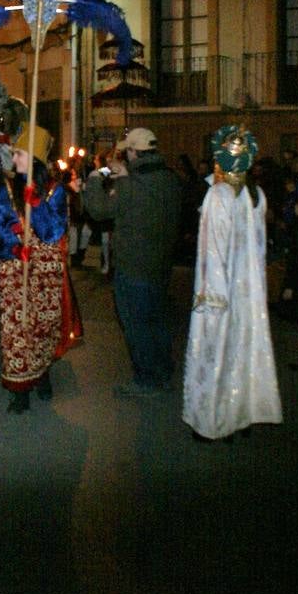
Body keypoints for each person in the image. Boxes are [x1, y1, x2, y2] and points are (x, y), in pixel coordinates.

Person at [182, 125, 283, 441]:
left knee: (216, 354)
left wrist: (210, 298)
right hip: (248, 291)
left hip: (221, 290)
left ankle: (214, 421)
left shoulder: (218, 194)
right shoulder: (256, 195)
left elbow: (213, 249)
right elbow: (259, 247)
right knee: (242, 352)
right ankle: (240, 417)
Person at [82, 127, 181, 397]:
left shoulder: (131, 186)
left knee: (137, 325)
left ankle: (146, 380)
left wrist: (94, 178)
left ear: (135, 152)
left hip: (133, 267)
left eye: (129, 152)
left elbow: (99, 210)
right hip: (160, 265)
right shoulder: (171, 179)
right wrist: (126, 176)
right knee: (158, 322)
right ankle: (163, 371)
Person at [0, 125, 79, 414]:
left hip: (44, 277)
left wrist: (35, 203)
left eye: (19, 155)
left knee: (41, 328)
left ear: (34, 159)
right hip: (15, 273)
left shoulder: (54, 191)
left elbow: (53, 231)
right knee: (16, 331)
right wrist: (12, 243)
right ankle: (19, 389)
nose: (14, 160)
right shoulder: (6, 191)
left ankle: (42, 375)